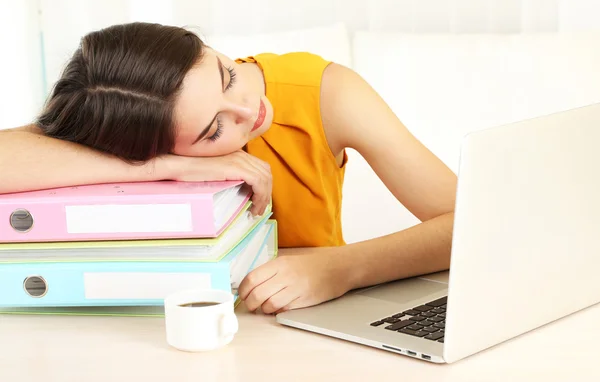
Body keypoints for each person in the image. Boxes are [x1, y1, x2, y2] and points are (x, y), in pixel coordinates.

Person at [0, 22, 457, 314]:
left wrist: (341, 269)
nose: (248, 108)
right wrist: (157, 166)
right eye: (214, 129)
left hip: (306, 316)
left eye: (227, 75)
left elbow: (470, 223)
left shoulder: (325, 93)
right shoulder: (128, 124)